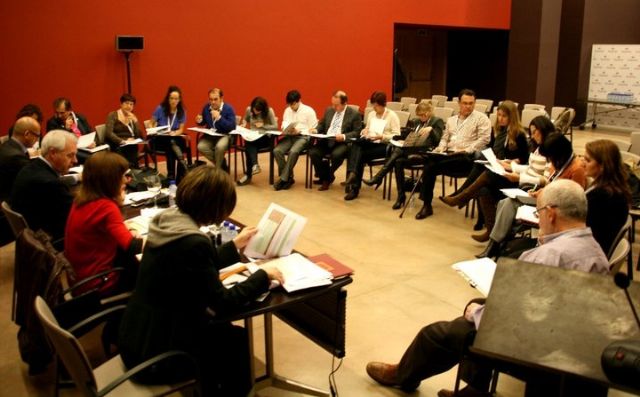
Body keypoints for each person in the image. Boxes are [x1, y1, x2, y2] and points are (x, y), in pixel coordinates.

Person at [365, 179, 609, 397]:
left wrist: (478, 315)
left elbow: (513, 316)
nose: (538, 218)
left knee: (442, 332)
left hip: (537, 347)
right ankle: (475, 389)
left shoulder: (549, 256)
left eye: (538, 212)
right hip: (571, 339)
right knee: (477, 309)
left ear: (552, 214)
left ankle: (403, 375)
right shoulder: (594, 250)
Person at [118, 165, 283, 397]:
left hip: (135, 337)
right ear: (216, 207)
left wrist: (234, 245)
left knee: (224, 334)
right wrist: (263, 276)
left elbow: (194, 263)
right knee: (233, 339)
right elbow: (223, 303)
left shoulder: (167, 222)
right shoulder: (193, 242)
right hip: (157, 356)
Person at [477, 132, 586, 258]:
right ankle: (496, 243)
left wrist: (543, 193)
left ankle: (495, 244)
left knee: (509, 204)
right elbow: (551, 183)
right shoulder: (561, 161)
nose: (550, 162)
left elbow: (573, 200)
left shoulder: (576, 169)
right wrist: (540, 192)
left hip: (554, 207)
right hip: (545, 197)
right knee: (504, 202)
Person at [438, 106, 535, 241]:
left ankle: (460, 197)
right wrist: (494, 160)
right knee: (482, 178)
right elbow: (494, 150)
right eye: (499, 115)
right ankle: (490, 230)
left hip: (512, 175)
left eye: (504, 116)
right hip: (500, 169)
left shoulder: (519, 134)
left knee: (486, 173)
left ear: (511, 117)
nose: (500, 118)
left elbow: (524, 159)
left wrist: (510, 162)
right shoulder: (499, 131)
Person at [64, 152, 143, 296]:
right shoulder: (106, 206)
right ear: (110, 179)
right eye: (123, 175)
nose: (127, 180)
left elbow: (108, 229)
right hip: (100, 284)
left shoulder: (82, 199)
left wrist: (128, 228)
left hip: (79, 279)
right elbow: (133, 246)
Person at [415, 89, 491, 218]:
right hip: (449, 156)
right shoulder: (451, 120)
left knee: (430, 164)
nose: (468, 106)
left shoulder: (481, 118)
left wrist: (467, 149)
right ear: (458, 103)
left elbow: (484, 140)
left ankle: (452, 197)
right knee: (429, 163)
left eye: (471, 103)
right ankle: (427, 205)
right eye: (465, 103)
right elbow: (445, 138)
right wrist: (440, 148)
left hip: (467, 159)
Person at [363, 101, 444, 208]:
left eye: (423, 115)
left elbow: (438, 140)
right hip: (412, 149)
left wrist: (431, 130)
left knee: (398, 152)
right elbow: (409, 135)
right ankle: (401, 196)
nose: (422, 117)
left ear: (429, 113)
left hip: (426, 152)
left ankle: (379, 177)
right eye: (419, 115)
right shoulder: (417, 121)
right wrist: (402, 140)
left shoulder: (437, 121)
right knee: (398, 161)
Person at [10, 130, 77, 245]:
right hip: (53, 242)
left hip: (33, 236)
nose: (75, 160)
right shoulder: (50, 184)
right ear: (52, 153)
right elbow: (77, 217)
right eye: (70, 155)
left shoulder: (31, 168)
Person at [344, 91, 401, 200]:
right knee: (356, 145)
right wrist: (364, 131)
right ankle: (353, 179)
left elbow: (397, 135)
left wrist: (382, 136)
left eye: (376, 106)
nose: (374, 108)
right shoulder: (371, 114)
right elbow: (367, 128)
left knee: (359, 153)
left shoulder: (392, 116)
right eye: (373, 105)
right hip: (370, 142)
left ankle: (354, 183)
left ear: (383, 104)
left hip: (384, 145)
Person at [582, 139, 631, 254]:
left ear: (603, 166)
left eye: (588, 160)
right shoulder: (613, 188)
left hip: (590, 252)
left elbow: (584, 229)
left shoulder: (603, 197)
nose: (582, 163)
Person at [308, 90, 363, 191]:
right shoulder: (329, 110)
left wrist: (343, 136)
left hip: (341, 142)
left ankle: (326, 178)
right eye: (332, 104)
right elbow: (321, 124)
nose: (334, 107)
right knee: (313, 152)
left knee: (337, 155)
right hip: (327, 139)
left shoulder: (354, 114)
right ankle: (327, 177)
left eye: (336, 105)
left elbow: (357, 132)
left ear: (345, 103)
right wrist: (316, 130)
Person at [0, 117, 41, 244]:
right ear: (27, 134)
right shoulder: (15, 157)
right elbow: (36, 180)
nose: (38, 140)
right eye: (37, 135)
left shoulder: (6, 145)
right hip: (16, 206)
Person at [273, 90, 317, 190]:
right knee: (277, 150)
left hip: (303, 137)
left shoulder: (309, 111)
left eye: (293, 104)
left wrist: (299, 131)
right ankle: (288, 177)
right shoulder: (287, 110)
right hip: (290, 136)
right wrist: (285, 128)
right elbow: (284, 123)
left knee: (293, 152)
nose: (291, 107)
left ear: (299, 101)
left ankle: (283, 179)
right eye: (289, 104)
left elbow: (313, 129)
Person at [149, 86, 188, 181]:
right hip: (161, 138)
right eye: (171, 98)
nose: (173, 101)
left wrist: (175, 132)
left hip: (174, 136)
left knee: (172, 144)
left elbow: (181, 129)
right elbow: (151, 123)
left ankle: (172, 177)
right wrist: (154, 129)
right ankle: (182, 169)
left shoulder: (181, 111)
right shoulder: (160, 108)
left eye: (176, 99)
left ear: (179, 100)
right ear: (168, 98)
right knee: (171, 143)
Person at [236, 96, 277, 186]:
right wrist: (243, 124)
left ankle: (248, 174)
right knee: (249, 143)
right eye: (254, 110)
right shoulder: (249, 109)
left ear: (263, 109)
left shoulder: (269, 111)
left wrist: (263, 125)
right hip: (252, 137)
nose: (256, 112)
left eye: (258, 111)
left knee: (248, 145)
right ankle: (255, 166)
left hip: (265, 138)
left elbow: (275, 126)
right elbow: (245, 119)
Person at [195, 88, 236, 171]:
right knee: (201, 147)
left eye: (215, 99)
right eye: (210, 99)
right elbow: (204, 122)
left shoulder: (228, 109)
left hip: (225, 135)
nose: (213, 102)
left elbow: (232, 126)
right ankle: (222, 164)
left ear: (221, 98)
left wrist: (219, 118)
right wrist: (199, 120)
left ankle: (217, 172)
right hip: (211, 135)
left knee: (220, 147)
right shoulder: (206, 108)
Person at [104, 93, 143, 168]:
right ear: (121, 104)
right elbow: (109, 133)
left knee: (133, 147)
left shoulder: (132, 116)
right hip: (116, 144)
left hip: (130, 144)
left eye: (131, 104)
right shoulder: (113, 115)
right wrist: (122, 141)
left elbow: (139, 135)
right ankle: (128, 170)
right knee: (130, 149)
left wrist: (136, 122)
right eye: (126, 103)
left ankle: (132, 170)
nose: (129, 106)